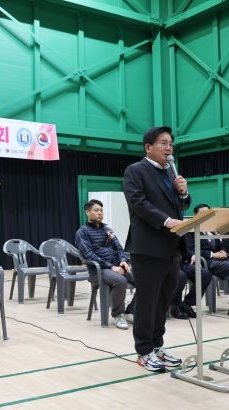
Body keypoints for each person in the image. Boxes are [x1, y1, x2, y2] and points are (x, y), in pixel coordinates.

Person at [123, 126, 191, 372]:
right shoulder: (135, 170)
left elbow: (182, 205)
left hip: (171, 247)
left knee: (164, 300)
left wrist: (183, 193)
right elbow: (138, 203)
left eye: (171, 143)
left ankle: (157, 346)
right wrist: (166, 221)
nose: (169, 148)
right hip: (148, 248)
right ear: (148, 147)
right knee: (147, 301)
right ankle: (143, 351)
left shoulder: (170, 172)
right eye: (163, 143)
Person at [75, 199, 134, 330]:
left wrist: (123, 261)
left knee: (143, 279)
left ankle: (131, 311)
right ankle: (118, 314)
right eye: (96, 210)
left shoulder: (108, 230)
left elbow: (119, 248)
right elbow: (89, 255)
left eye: (101, 210)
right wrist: (111, 267)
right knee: (120, 281)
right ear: (87, 212)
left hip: (116, 267)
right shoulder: (82, 232)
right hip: (99, 270)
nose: (100, 213)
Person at [169, 256, 212, 320]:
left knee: (205, 275)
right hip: (168, 263)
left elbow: (188, 250)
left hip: (183, 263)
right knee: (181, 276)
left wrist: (193, 255)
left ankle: (187, 304)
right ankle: (174, 306)